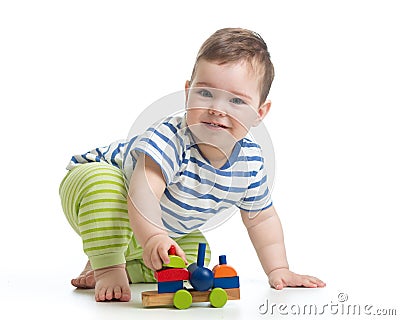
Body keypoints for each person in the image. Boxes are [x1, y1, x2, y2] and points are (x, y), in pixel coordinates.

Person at [59, 27, 325, 302]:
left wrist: (278, 268)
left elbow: (262, 220)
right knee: (104, 184)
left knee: (195, 251)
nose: (217, 108)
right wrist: (153, 238)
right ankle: (109, 266)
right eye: (206, 93)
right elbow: (143, 194)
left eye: (236, 100)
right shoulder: (170, 139)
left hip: (154, 226)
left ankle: (126, 261)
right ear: (188, 92)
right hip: (96, 190)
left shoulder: (250, 163)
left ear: (259, 113)